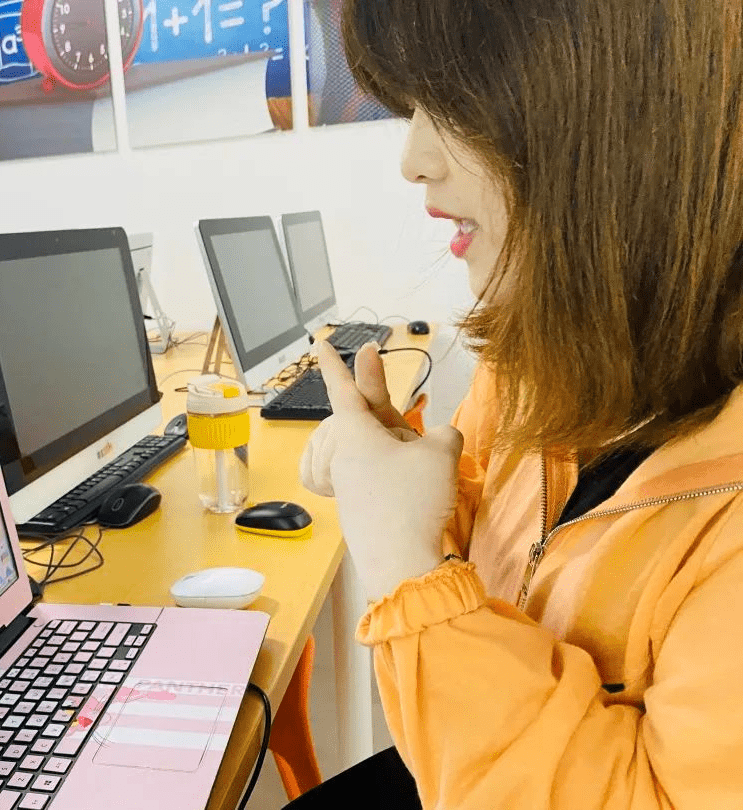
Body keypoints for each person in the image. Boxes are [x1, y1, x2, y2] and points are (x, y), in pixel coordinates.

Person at [293, 0, 743, 807]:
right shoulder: (541, 364)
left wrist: (404, 563)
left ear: (622, 121)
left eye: (451, 105)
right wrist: (401, 482)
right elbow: (501, 541)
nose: (413, 160)